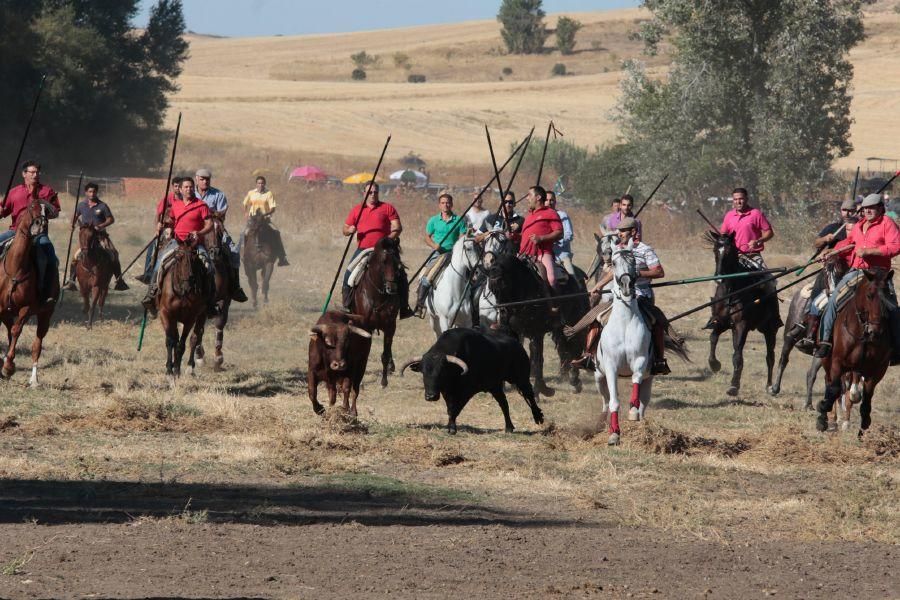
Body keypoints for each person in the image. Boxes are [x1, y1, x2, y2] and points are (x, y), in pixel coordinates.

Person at [572, 217, 671, 375]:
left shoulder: (645, 250)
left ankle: (659, 360)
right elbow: (613, 272)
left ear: (633, 231)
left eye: (623, 231)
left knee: (657, 321)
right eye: (619, 230)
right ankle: (588, 355)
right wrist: (599, 285)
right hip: (618, 295)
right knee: (596, 317)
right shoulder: (617, 248)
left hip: (640, 294)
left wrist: (637, 273)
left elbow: (659, 271)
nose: (619, 233)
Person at [813, 193, 900, 363]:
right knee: (833, 301)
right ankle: (824, 341)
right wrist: (831, 252)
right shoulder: (859, 225)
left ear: (880, 208)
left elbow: (896, 246)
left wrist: (870, 251)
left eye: (872, 208)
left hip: (878, 274)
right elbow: (848, 244)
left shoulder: (887, 224)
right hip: (856, 271)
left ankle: (897, 349)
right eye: (866, 208)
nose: (868, 211)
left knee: (893, 309)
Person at [141, 177, 219, 317]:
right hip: (177, 242)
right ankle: (151, 294)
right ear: (181, 189)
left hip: (195, 245)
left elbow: (209, 224)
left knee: (209, 267)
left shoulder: (201, 205)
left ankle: (211, 302)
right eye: (186, 187)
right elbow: (170, 221)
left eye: (191, 187)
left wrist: (199, 233)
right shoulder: (175, 205)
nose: (188, 189)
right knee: (160, 263)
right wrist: (165, 227)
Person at [341, 182, 413, 317]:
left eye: (375, 192)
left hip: (385, 250)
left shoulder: (387, 208)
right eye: (370, 192)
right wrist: (350, 230)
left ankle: (404, 307)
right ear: (364, 193)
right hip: (364, 249)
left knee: (401, 275)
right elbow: (345, 229)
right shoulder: (357, 210)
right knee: (348, 275)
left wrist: (386, 240)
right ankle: (347, 305)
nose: (373, 194)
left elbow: (397, 228)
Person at [794, 199, 858, 348]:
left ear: (856, 211)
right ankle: (806, 321)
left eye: (851, 210)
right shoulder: (833, 227)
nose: (847, 213)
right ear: (841, 211)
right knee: (817, 288)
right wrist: (826, 239)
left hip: (851, 268)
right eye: (845, 210)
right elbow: (817, 244)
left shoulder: (858, 227)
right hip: (831, 268)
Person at [0, 161, 61, 304]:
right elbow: (3, 212)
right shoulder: (14, 192)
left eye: (37, 172)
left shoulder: (47, 191)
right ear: (24, 174)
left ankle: (46, 293)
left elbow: (55, 212)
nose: (35, 175)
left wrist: (46, 208)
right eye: (32, 172)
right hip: (15, 232)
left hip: (39, 235)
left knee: (50, 257)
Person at [194, 168, 248, 303]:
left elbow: (221, 216)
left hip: (214, 228)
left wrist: (212, 216)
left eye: (207, 179)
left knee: (234, 252)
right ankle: (155, 286)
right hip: (193, 228)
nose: (205, 181)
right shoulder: (190, 192)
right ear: (196, 179)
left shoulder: (218, 194)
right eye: (202, 179)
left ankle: (235, 287)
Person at [65, 182, 129, 292]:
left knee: (113, 253)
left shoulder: (102, 206)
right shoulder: (81, 205)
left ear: (96, 192)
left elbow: (111, 219)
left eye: (94, 191)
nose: (92, 193)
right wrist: (72, 224)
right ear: (86, 193)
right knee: (75, 256)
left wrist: (101, 226)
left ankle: (119, 281)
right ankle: (71, 281)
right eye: (90, 191)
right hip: (86, 238)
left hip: (100, 237)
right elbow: (75, 215)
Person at [413, 193, 467, 318]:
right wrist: (434, 245)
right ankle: (419, 305)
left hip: (454, 254)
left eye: (448, 202)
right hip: (438, 254)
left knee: (470, 274)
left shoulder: (459, 220)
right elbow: (426, 237)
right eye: (443, 203)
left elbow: (463, 236)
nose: (445, 205)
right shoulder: (433, 220)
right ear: (439, 205)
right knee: (427, 277)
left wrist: (458, 246)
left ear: (451, 204)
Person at [136, 176, 181, 284]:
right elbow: (158, 214)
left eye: (180, 186)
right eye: (176, 186)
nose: (178, 188)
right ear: (172, 187)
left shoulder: (185, 199)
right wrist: (157, 227)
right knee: (153, 247)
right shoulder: (168, 199)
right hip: (166, 229)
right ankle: (148, 274)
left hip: (179, 229)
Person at [720, 187, 774, 270]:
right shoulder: (729, 216)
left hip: (752, 256)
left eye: (741, 199)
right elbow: (723, 235)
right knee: (721, 278)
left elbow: (769, 232)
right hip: (733, 257)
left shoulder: (756, 214)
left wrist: (758, 241)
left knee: (768, 280)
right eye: (735, 199)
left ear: (747, 199)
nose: (738, 202)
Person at [520, 186, 563, 289]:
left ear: (538, 197)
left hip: (542, 254)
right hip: (524, 255)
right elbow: (524, 237)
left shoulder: (550, 213)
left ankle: (554, 303)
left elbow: (559, 233)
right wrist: (514, 236)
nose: (527, 198)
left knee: (551, 279)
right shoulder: (528, 216)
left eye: (529, 195)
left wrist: (541, 238)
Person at [241, 176, 289, 266]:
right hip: (253, 220)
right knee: (245, 233)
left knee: (276, 232)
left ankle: (282, 257)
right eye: (259, 183)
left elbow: (273, 208)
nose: (260, 185)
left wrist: (266, 214)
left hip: (265, 220)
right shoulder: (251, 193)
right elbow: (245, 203)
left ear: (265, 184)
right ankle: (244, 255)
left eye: (262, 183)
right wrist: (246, 213)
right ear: (256, 184)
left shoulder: (269, 193)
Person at [547, 191, 575, 275]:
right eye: (547, 200)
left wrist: (555, 242)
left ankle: (577, 286)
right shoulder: (539, 217)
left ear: (555, 202)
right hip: (545, 255)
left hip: (562, 255)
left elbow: (569, 235)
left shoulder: (562, 215)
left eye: (551, 200)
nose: (549, 202)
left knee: (571, 275)